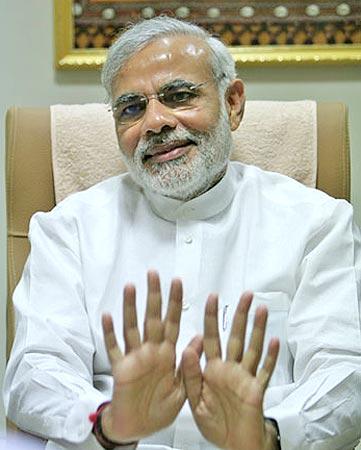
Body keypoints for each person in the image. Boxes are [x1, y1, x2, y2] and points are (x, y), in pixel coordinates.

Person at [3, 15, 361, 450]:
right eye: (132, 108)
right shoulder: (67, 229)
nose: (155, 122)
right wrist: (107, 423)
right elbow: (34, 372)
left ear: (233, 103)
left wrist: (271, 433)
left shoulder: (317, 223)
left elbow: (346, 373)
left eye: (179, 95)